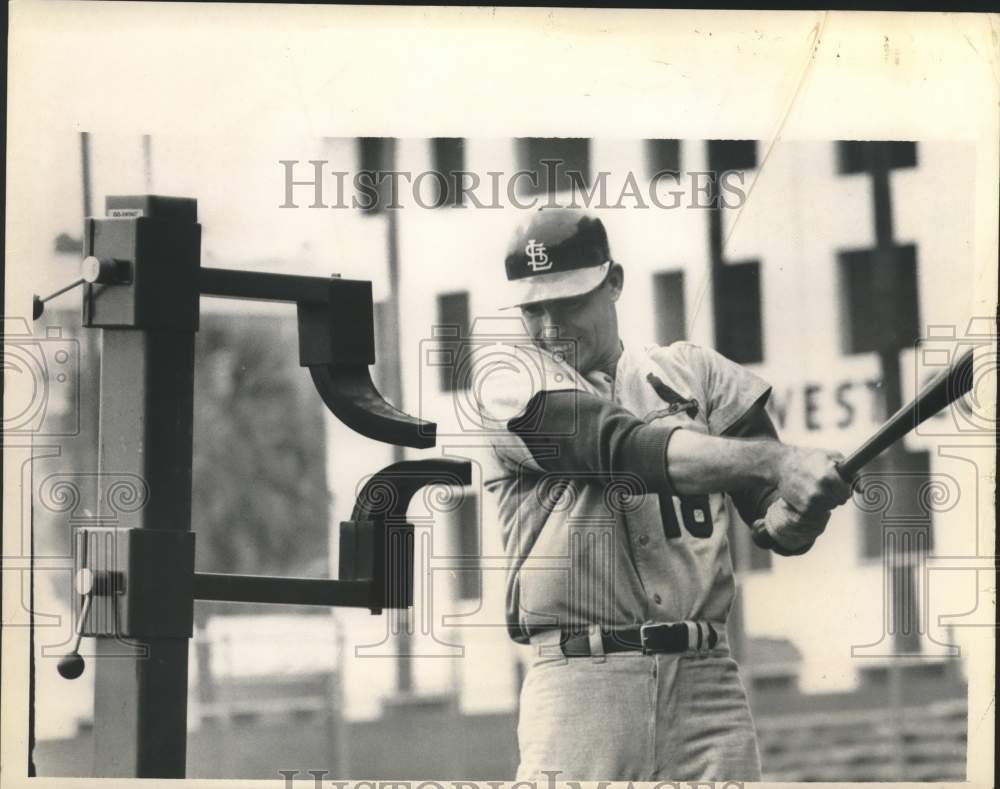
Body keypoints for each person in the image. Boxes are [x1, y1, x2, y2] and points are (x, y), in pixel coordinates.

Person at [476, 207, 852, 782]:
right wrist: (784, 460)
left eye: (569, 302)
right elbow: (624, 449)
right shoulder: (509, 381)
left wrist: (801, 509)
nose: (550, 327)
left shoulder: (695, 373)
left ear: (615, 281)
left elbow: (772, 518)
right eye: (534, 308)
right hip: (582, 683)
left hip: (707, 682)